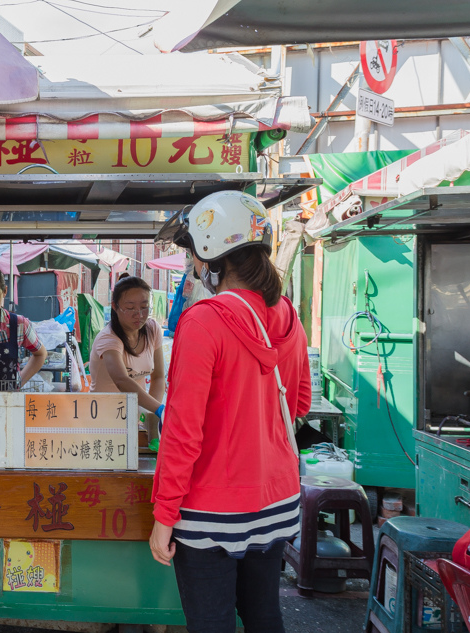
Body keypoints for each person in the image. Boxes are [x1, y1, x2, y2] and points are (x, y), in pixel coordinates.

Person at [149, 191, 311, 633]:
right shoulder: (289, 317)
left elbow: (182, 433)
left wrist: (165, 516)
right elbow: (298, 406)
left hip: (211, 511)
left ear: (210, 255)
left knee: (211, 624)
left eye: (191, 253)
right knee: (264, 617)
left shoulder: (203, 321)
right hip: (276, 502)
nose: (191, 265)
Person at [89, 276, 166, 416]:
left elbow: (159, 377)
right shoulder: (109, 338)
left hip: (135, 416)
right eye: (130, 308)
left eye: (144, 307)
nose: (139, 314)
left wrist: (151, 414)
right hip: (103, 417)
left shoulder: (152, 329)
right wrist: (160, 409)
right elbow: (121, 380)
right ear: (115, 306)